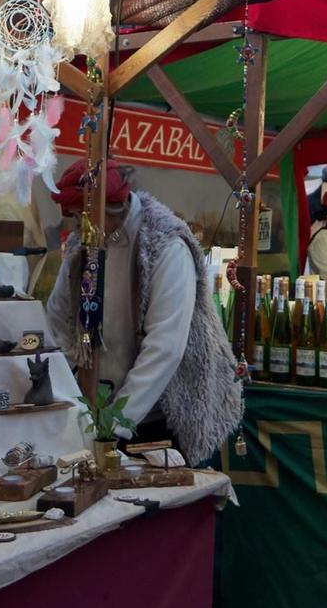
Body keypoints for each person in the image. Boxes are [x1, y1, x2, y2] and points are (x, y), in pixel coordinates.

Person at [44, 160, 243, 461]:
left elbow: (165, 348)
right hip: (95, 408)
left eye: (78, 217)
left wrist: (112, 424)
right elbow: (58, 320)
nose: (75, 227)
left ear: (106, 211)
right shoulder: (81, 244)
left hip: (162, 411)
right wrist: (75, 391)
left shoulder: (165, 245)